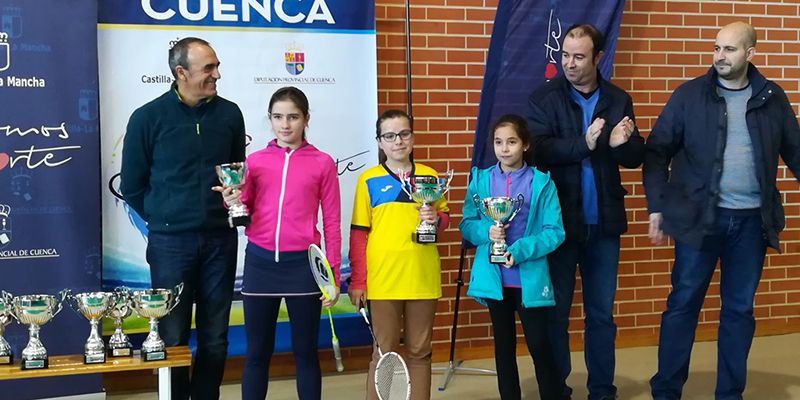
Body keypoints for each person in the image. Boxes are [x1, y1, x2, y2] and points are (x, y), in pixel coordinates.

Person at [644, 21, 800, 400]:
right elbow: (656, 151)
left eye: (729, 49)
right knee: (682, 304)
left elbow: (796, 153)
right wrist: (657, 206)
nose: (719, 56)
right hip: (698, 220)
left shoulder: (771, 97)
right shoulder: (689, 96)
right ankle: (666, 390)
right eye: (716, 48)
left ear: (750, 53)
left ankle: (729, 393)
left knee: (739, 312)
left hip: (751, 224)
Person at [120, 37, 246, 400]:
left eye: (216, 66)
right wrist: (165, 219)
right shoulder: (147, 117)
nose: (217, 74)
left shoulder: (230, 113)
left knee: (216, 336)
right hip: (169, 244)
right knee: (172, 337)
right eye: (209, 68)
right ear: (181, 73)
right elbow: (132, 186)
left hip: (221, 241)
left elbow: (236, 173)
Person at [526, 23, 645, 400]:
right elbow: (540, 150)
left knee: (600, 318)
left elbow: (633, 156)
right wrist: (587, 143)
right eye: (565, 55)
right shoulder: (543, 99)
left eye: (579, 56)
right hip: (559, 226)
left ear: (597, 57)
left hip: (604, 225)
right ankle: (557, 390)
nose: (570, 64)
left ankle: (602, 391)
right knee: (556, 315)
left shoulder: (617, 98)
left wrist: (619, 144)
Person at [215, 86, 341, 400]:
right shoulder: (254, 162)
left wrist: (333, 276)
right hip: (259, 264)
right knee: (257, 354)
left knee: (305, 353)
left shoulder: (323, 163)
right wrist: (231, 199)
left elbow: (332, 223)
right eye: (278, 117)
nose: (285, 124)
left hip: (303, 267)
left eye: (293, 117)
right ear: (270, 119)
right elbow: (242, 206)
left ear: (306, 119)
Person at [459, 114, 565, 400]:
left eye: (511, 142)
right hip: (495, 279)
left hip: (527, 277)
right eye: (498, 142)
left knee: (540, 345)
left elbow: (555, 232)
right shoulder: (480, 180)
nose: (504, 149)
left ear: (525, 144)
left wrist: (518, 252)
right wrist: (486, 231)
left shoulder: (542, 183)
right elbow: (467, 223)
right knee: (503, 347)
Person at [348, 109, 450, 400]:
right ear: (380, 142)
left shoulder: (429, 176)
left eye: (404, 134)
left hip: (422, 276)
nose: (398, 141)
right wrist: (359, 280)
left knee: (420, 351)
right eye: (390, 136)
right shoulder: (368, 179)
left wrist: (434, 219)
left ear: (412, 137)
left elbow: (444, 221)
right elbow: (359, 233)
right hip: (383, 280)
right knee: (385, 353)